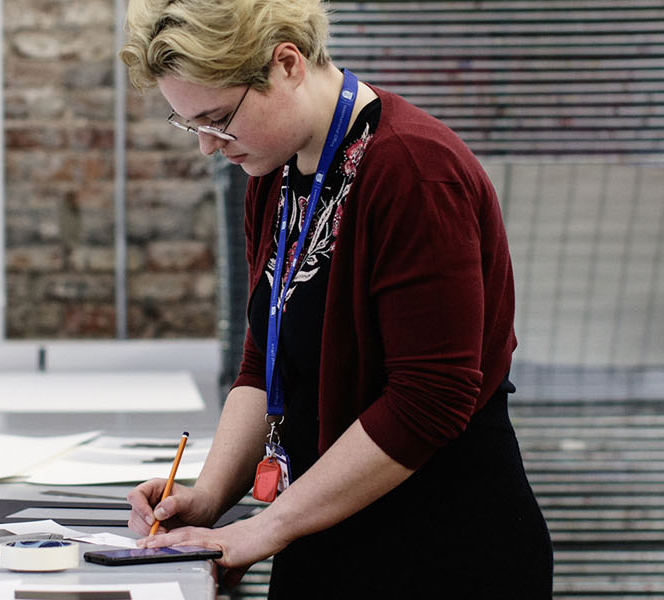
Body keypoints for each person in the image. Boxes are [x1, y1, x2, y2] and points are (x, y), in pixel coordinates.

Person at [118, 0, 552, 597]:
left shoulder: (414, 171)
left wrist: (264, 528)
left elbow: (429, 399)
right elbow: (264, 363)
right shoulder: (272, 173)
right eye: (191, 125)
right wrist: (210, 499)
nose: (208, 148)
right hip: (321, 534)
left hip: (440, 552)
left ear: (287, 64)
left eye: (218, 120)